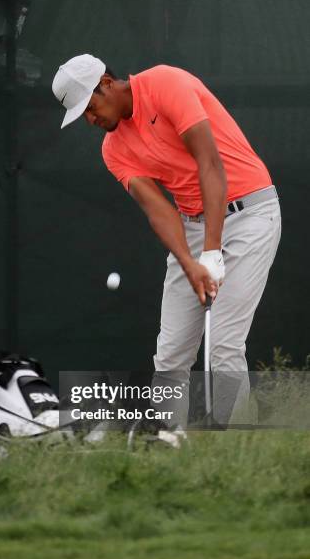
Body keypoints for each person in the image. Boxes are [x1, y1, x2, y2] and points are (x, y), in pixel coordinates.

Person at [52, 54, 281, 428]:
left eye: (90, 108)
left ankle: (235, 444)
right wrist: (190, 262)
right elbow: (159, 211)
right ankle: (166, 446)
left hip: (250, 214)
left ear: (107, 83)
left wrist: (211, 250)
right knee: (171, 356)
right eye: (83, 117)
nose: (91, 120)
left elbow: (210, 163)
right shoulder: (113, 150)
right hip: (192, 227)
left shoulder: (165, 83)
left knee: (223, 347)